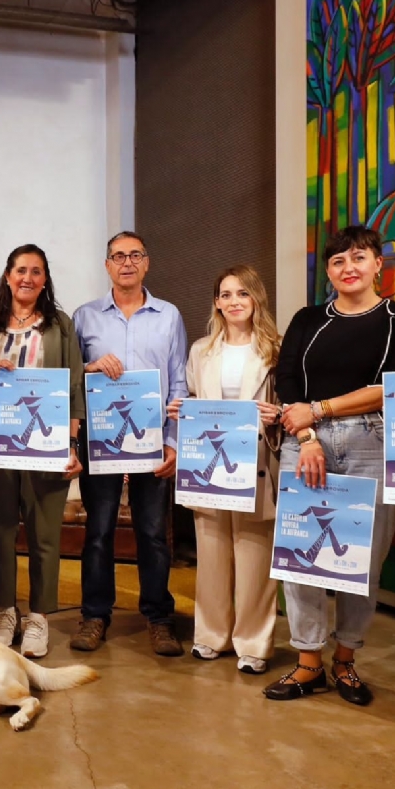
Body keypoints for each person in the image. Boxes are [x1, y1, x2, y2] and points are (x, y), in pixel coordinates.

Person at [263, 225, 395, 705]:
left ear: (377, 264)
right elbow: (287, 381)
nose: (348, 268)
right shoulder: (307, 319)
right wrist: (306, 435)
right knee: (302, 556)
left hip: (373, 443)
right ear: (329, 271)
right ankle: (308, 663)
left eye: (358, 258)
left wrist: (320, 410)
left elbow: (390, 387)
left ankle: (346, 661)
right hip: (307, 443)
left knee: (359, 560)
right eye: (338, 261)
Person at [72, 231, 188, 656]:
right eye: (118, 256)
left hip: (152, 441)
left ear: (146, 263)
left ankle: (159, 617)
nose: (126, 262)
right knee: (98, 532)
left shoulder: (169, 315)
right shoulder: (84, 317)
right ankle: (94, 615)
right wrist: (90, 364)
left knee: (153, 534)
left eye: (135, 255)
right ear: (107, 265)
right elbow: (69, 379)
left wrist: (175, 442)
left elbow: (179, 381)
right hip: (101, 441)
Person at [0, 244, 84, 659]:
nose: (27, 278)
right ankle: (5, 613)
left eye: (36, 271)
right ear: (7, 275)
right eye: (20, 270)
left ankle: (38, 617)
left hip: (45, 447)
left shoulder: (60, 326)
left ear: (45, 279)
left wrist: (71, 443)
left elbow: (74, 387)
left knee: (44, 536)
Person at [167, 265, 281, 674]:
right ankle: (211, 635)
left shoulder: (276, 349)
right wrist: (183, 410)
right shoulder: (201, 350)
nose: (234, 302)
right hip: (210, 467)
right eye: (226, 294)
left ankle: (253, 643)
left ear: (256, 299)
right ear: (216, 302)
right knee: (212, 553)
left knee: (254, 557)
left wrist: (278, 413)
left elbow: (289, 406)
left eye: (242, 294)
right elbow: (197, 399)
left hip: (257, 464)